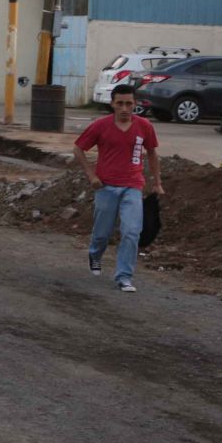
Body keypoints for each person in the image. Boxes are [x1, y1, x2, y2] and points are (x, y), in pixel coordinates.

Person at [75, 84, 163, 293]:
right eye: (120, 103)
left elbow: (152, 153)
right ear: (112, 104)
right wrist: (91, 175)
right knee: (102, 233)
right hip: (106, 186)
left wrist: (157, 182)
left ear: (135, 104)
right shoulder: (101, 126)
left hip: (133, 185)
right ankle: (95, 255)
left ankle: (124, 276)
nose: (124, 108)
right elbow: (78, 149)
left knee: (132, 232)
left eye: (129, 103)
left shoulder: (144, 126)